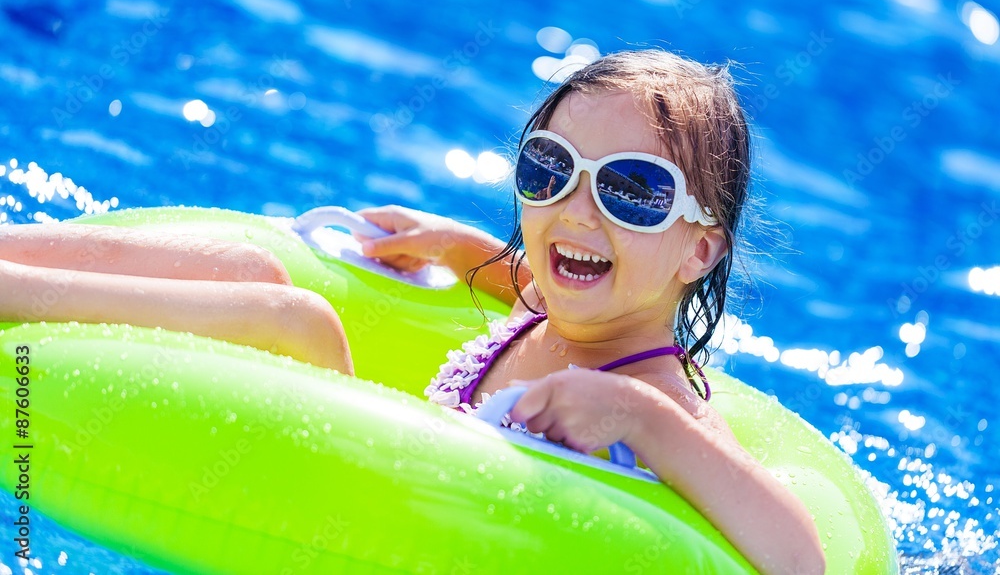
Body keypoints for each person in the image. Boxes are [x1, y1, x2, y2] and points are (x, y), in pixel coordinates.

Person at [0, 49, 824, 573]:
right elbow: (524, 286)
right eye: (550, 169)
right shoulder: (562, 309)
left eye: (632, 191)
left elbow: (800, 562)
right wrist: (463, 250)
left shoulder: (664, 398)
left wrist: (642, 421)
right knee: (254, 266)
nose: (576, 211)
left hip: (366, 532)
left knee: (302, 325)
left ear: (700, 251)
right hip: (352, 503)